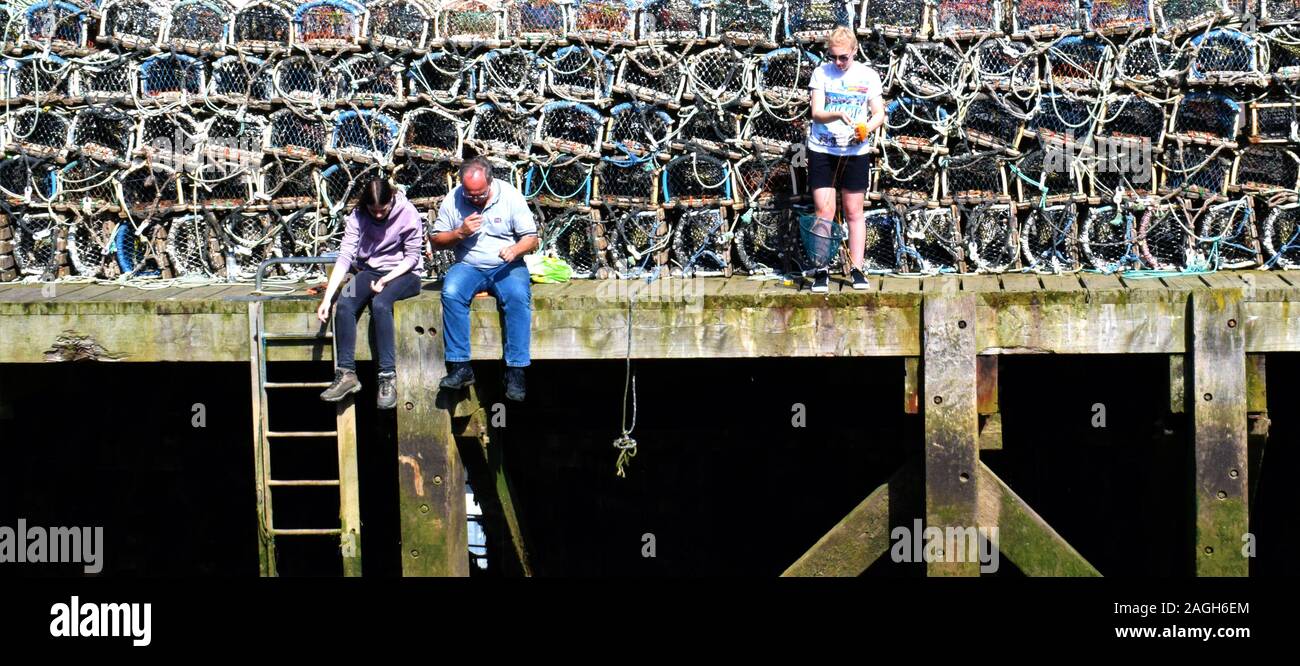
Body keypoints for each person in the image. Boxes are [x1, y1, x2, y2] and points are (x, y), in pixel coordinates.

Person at [429, 156, 539, 401]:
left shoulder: (510, 196)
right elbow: (436, 242)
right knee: (451, 292)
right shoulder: (454, 198)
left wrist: (515, 250)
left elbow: (532, 239)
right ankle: (460, 367)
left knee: (518, 296)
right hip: (469, 264)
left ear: (490, 182)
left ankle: (516, 370)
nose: (474, 199)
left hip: (506, 265)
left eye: (479, 194)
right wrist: (460, 232)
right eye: (470, 194)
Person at [317, 178, 425, 409]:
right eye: (372, 210)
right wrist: (327, 299)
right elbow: (345, 256)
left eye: (382, 210)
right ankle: (346, 374)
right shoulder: (357, 215)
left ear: (391, 200)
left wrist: (386, 279)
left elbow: (412, 257)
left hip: (405, 273)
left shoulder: (408, 212)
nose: (377, 215)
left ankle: (387, 377)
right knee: (344, 304)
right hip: (369, 272)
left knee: (381, 304)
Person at [806, 25, 887, 293]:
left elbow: (879, 114)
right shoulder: (821, 73)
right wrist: (837, 115)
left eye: (844, 57)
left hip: (854, 152)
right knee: (824, 211)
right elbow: (817, 112)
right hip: (823, 150)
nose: (838, 62)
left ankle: (857, 268)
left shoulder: (868, 75)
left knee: (854, 212)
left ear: (854, 51)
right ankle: (821, 270)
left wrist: (866, 128)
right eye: (834, 57)